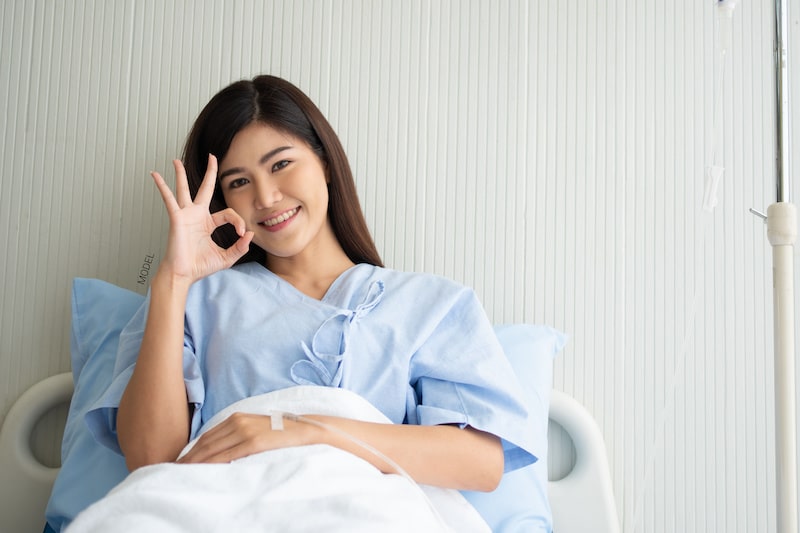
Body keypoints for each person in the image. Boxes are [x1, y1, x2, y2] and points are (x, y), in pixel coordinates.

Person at [88, 75, 536, 493]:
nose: (266, 197)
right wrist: (172, 280)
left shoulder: (431, 304)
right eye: (239, 181)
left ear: (324, 161)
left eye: (280, 164)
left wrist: (304, 429)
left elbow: (481, 463)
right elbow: (151, 462)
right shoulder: (193, 300)